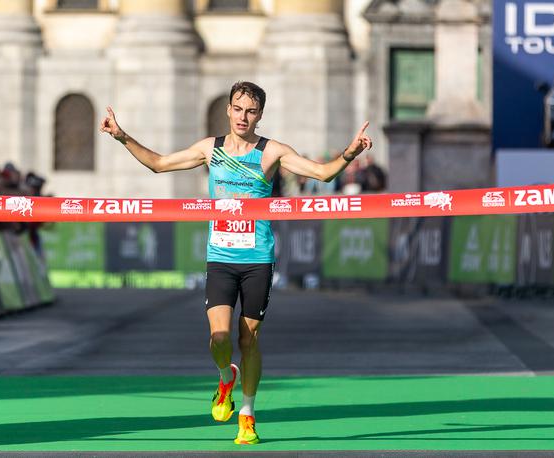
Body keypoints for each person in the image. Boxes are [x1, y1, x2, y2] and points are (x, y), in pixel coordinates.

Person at [100, 81, 372, 445]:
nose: (244, 117)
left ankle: (247, 413)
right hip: (221, 257)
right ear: (228, 110)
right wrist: (121, 136)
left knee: (249, 339)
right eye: (238, 109)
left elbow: (322, 174)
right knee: (220, 337)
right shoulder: (210, 150)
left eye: (252, 111)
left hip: (257, 257)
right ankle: (225, 376)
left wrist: (350, 153)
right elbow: (159, 164)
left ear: (260, 115)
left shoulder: (271, 152)